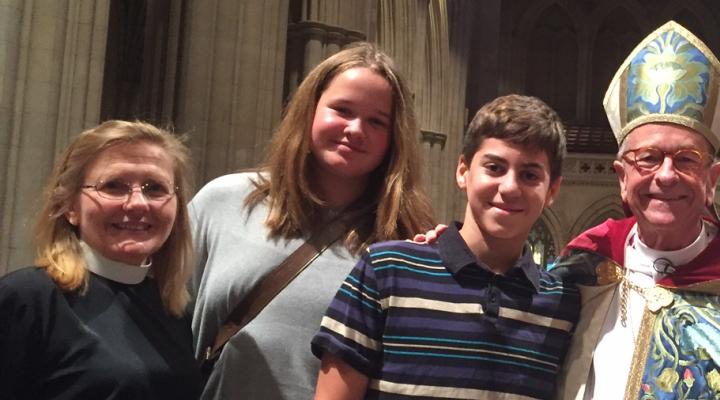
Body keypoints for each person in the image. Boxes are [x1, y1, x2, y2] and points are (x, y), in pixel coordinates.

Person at [552, 20, 720, 400]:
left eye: (686, 159)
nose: (666, 175)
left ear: (712, 180)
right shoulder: (578, 274)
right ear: (621, 177)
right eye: (648, 157)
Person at [189, 42, 435, 399]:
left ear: (394, 138)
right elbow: (162, 324)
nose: (355, 129)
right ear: (310, 110)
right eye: (342, 110)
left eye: (376, 121)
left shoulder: (405, 240)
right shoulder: (223, 202)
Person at [310, 94, 579, 399]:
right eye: (494, 167)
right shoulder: (386, 272)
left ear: (552, 190)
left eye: (529, 175)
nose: (509, 187)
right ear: (463, 171)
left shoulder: (562, 305)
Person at [0, 120, 200, 399]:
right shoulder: (26, 299)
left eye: (154, 188)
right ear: (70, 206)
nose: (138, 203)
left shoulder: (174, 312)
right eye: (114, 186)